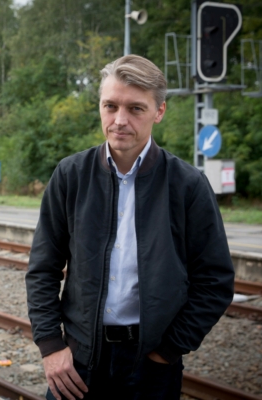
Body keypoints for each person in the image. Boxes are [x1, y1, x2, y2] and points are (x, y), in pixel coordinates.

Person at [25, 55, 234, 400]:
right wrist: (50, 346)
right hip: (77, 362)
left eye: (136, 109)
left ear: (159, 112)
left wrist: (168, 350)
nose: (119, 120)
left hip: (151, 366)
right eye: (110, 106)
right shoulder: (70, 175)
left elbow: (215, 280)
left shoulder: (188, 185)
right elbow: (42, 268)